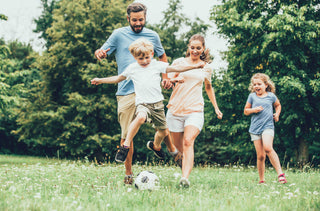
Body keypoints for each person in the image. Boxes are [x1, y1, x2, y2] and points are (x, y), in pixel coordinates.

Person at [94, 2, 181, 185]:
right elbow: (102, 51)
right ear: (128, 19)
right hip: (126, 91)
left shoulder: (152, 36)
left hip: (149, 89)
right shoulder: (118, 34)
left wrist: (166, 77)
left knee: (162, 127)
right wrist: (100, 53)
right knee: (127, 134)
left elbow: (162, 57)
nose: (138, 23)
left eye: (141, 19)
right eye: (134, 20)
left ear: (145, 17)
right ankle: (128, 173)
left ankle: (169, 151)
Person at [91, 38, 205, 164]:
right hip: (143, 103)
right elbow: (118, 78)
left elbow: (176, 69)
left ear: (151, 54)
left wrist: (194, 66)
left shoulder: (157, 65)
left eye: (146, 57)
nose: (144, 61)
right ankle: (125, 146)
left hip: (157, 105)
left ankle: (155, 146)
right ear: (134, 57)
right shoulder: (132, 68)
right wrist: (100, 80)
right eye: (140, 59)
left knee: (163, 131)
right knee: (140, 117)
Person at [166, 34, 223, 188]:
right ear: (188, 47)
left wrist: (216, 108)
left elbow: (208, 88)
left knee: (188, 141)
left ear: (203, 48)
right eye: (192, 47)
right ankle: (183, 165)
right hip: (175, 109)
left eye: (198, 48)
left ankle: (185, 178)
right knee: (178, 150)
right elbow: (166, 81)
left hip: (195, 109)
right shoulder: (179, 62)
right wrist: (174, 80)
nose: (195, 50)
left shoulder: (206, 67)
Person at [244, 73, 287, 184]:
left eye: (259, 84)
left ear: (266, 85)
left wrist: (277, 114)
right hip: (254, 128)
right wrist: (254, 110)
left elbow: (278, 105)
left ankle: (280, 174)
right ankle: (262, 180)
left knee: (268, 148)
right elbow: (246, 111)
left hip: (268, 126)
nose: (256, 86)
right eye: (254, 84)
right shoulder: (252, 96)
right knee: (261, 156)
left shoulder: (271, 96)